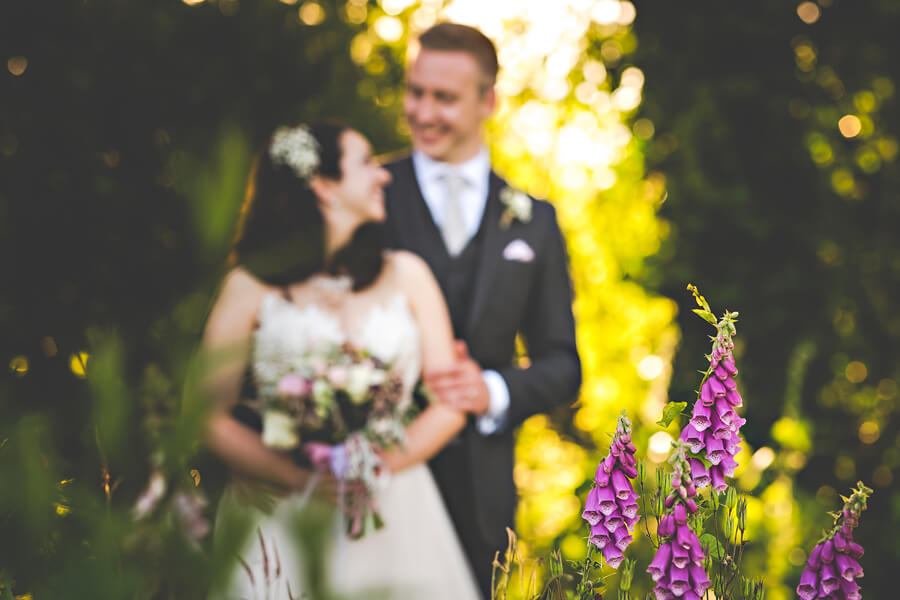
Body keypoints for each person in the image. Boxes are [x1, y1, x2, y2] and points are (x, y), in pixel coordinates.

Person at [202, 121, 481, 599]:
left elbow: (451, 401)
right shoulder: (250, 286)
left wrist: (379, 465)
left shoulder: (408, 275)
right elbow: (206, 416)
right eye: (367, 162)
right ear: (324, 187)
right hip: (280, 513)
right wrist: (296, 475)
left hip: (396, 512)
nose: (383, 175)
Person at [383, 22, 582, 598]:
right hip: (376, 480)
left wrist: (490, 391)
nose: (423, 111)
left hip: (480, 494)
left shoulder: (534, 222)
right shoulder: (366, 192)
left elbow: (563, 366)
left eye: (443, 97)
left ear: (488, 101)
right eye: (415, 91)